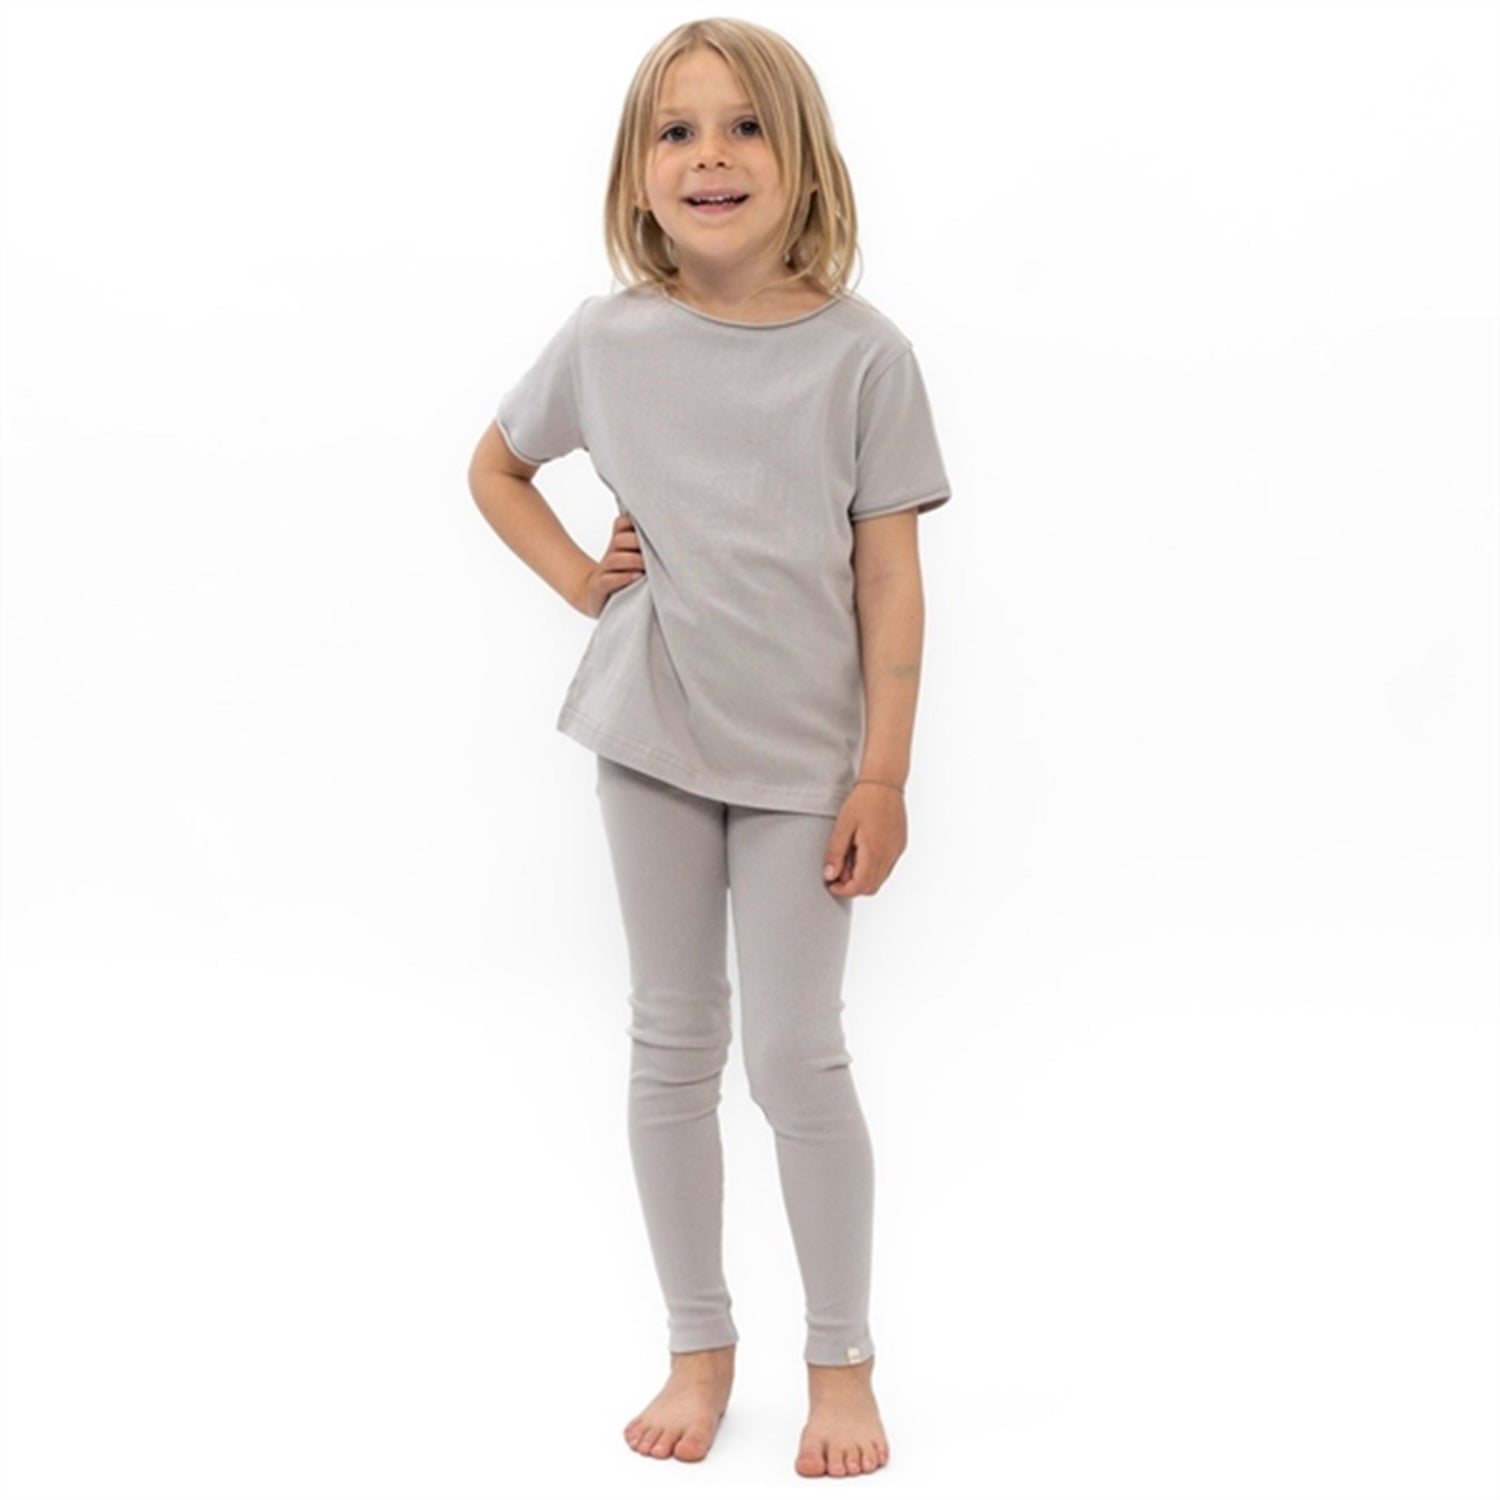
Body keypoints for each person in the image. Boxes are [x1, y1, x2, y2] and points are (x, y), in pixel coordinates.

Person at [466, 16, 950, 1480]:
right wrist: (581, 581)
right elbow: (497, 465)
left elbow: (890, 581)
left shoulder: (865, 356)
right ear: (637, 171)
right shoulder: (606, 339)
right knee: (672, 1043)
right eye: (676, 131)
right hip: (653, 729)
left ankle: (840, 1357)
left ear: (804, 161)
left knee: (796, 1057)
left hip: (807, 758)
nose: (710, 156)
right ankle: (698, 1343)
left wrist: (882, 773)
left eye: (744, 126)